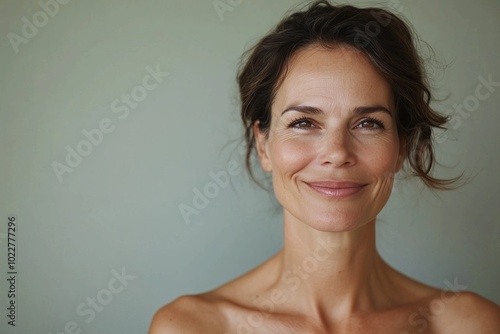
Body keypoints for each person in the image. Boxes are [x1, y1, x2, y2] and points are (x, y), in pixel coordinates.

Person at [149, 1, 500, 333]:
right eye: (304, 123)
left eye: (368, 123)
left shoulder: (472, 325)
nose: (336, 153)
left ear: (401, 148)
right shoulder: (191, 327)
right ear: (263, 145)